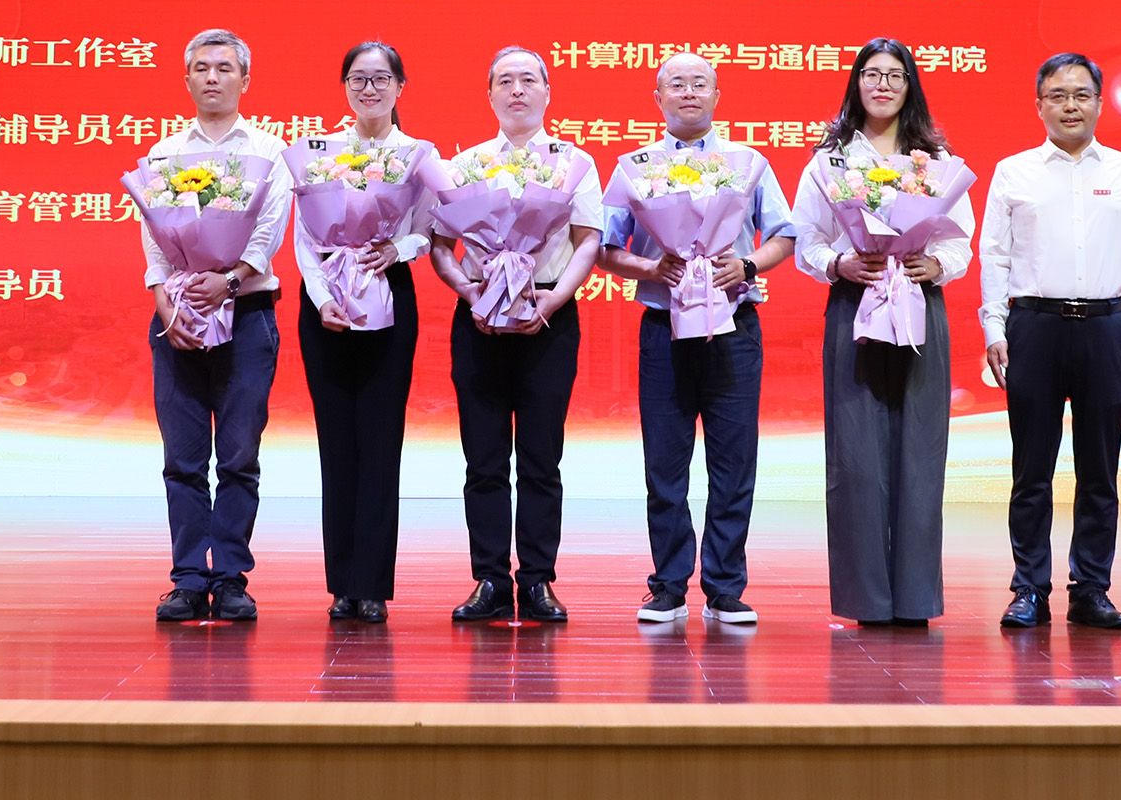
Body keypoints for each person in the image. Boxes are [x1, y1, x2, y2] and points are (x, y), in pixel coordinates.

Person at [599, 52, 796, 626]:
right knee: (665, 462)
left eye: (700, 83)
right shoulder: (635, 167)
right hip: (664, 328)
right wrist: (650, 268)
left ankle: (725, 586)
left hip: (733, 326)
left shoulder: (747, 162)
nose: (689, 92)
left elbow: (784, 235)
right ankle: (667, 585)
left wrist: (748, 265)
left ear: (716, 95)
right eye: (677, 84)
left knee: (734, 462)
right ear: (657, 97)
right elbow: (605, 249)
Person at [980, 53, 1121, 630]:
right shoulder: (1014, 172)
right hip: (1034, 327)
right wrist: (993, 328)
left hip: (1108, 328)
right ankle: (1029, 588)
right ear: (1039, 106)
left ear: (1099, 104)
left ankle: (1091, 589)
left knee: (1099, 471)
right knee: (1031, 471)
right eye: (1057, 96)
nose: (1070, 106)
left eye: (1081, 95)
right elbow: (995, 256)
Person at [793, 38, 973, 627]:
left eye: (895, 76)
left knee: (921, 451)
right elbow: (807, 239)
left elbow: (959, 241)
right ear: (856, 83)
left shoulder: (936, 159)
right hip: (856, 305)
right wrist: (838, 264)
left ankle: (916, 597)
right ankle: (866, 599)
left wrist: (935, 264)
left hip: (920, 305)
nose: (883, 85)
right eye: (872, 74)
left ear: (910, 86)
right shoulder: (830, 161)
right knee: (856, 456)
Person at [429, 47, 603, 624]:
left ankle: (537, 580)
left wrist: (553, 299)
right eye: (505, 81)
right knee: (482, 458)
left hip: (548, 314)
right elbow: (440, 246)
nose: (517, 90)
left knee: (540, 458)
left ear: (548, 92)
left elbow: (588, 241)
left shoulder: (573, 162)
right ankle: (488, 579)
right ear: (489, 95)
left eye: (529, 80)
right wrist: (469, 291)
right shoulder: (465, 164)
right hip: (479, 316)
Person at [144, 29, 292, 623]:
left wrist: (230, 281)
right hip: (178, 317)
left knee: (237, 457)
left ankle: (230, 577)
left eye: (224, 68)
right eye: (201, 68)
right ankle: (186, 578)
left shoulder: (270, 151)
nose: (212, 77)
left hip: (247, 316)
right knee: (182, 458)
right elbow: (154, 241)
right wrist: (166, 306)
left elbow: (268, 232)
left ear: (244, 80)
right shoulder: (163, 153)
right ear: (186, 79)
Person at [291, 42, 434, 625]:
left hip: (387, 291)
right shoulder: (318, 153)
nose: (369, 89)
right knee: (336, 440)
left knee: (379, 439)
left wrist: (395, 250)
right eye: (357, 78)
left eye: (380, 79)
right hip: (326, 296)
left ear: (400, 87)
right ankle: (341, 584)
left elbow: (429, 231)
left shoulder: (419, 155)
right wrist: (323, 297)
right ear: (345, 86)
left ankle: (371, 584)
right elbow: (304, 239)